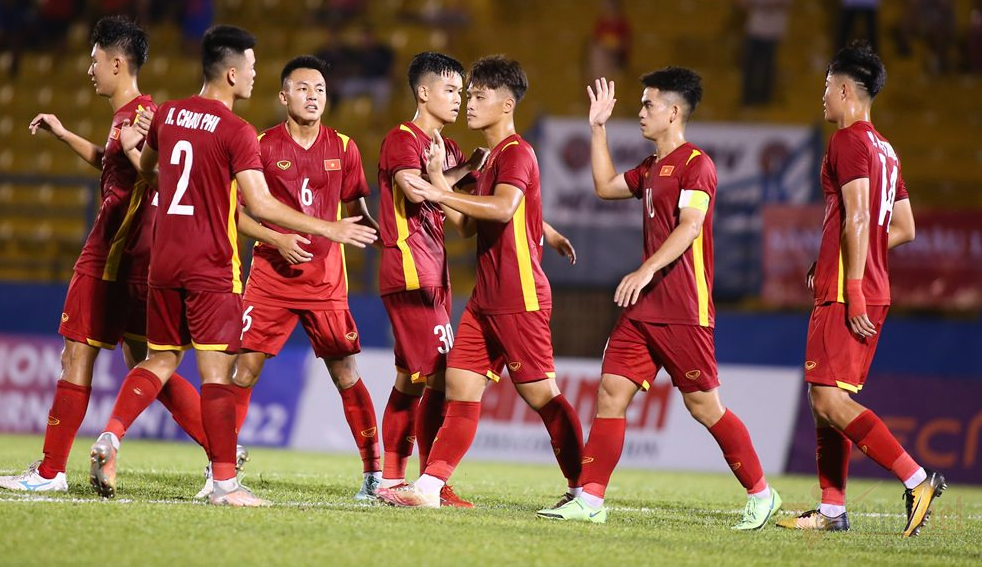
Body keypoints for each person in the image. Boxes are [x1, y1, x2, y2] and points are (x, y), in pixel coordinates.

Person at [87, 25, 376, 506]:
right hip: (212, 265)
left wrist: (134, 145)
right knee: (219, 376)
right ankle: (224, 483)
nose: (255, 75)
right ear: (231, 71)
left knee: (159, 360)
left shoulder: (169, 113)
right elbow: (258, 205)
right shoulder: (240, 132)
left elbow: (151, 174)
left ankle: (112, 435)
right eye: (253, 67)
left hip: (164, 260)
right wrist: (329, 229)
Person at [536, 70, 780, 529]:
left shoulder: (697, 165)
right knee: (610, 392)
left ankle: (762, 493)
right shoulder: (651, 167)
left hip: (684, 309)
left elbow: (689, 227)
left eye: (648, 104)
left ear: (673, 112)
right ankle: (590, 499)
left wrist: (645, 269)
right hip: (643, 310)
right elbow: (605, 186)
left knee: (704, 407)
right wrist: (597, 128)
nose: (641, 112)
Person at [0, 17, 210, 493]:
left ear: (117, 62)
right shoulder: (127, 116)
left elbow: (155, 179)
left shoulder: (141, 117)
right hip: (134, 261)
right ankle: (223, 451)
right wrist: (65, 133)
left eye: (94, 61)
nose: (90, 69)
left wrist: (138, 154)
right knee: (148, 366)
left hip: (109, 256)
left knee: (76, 356)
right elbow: (113, 163)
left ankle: (49, 473)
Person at [378, 55, 583, 510]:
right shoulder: (488, 161)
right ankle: (429, 489)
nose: (469, 103)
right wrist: (437, 180)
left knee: (540, 394)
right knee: (460, 390)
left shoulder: (517, 152)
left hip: (519, 296)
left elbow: (504, 209)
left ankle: (583, 489)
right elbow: (466, 225)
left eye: (479, 95)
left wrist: (437, 189)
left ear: (507, 104)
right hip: (485, 300)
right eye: (467, 94)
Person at [776, 42, 945, 536]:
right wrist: (849, 258)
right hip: (866, 281)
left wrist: (851, 283)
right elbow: (903, 227)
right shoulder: (885, 149)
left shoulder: (848, 140)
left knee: (829, 400)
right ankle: (832, 512)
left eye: (827, 87)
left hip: (850, 290)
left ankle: (917, 481)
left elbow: (858, 215)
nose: (823, 96)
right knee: (825, 398)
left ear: (846, 88)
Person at [226, 55, 383, 501]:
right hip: (271, 277)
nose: (313, 97)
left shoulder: (345, 147)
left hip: (325, 281)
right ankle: (221, 466)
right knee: (245, 368)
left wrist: (383, 236)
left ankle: (374, 473)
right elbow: (238, 214)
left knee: (345, 373)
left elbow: (358, 212)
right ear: (283, 96)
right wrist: (276, 241)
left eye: (320, 90)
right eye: (303, 89)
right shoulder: (259, 145)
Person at [375, 52, 487, 507]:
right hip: (408, 270)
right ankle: (432, 484)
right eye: (449, 89)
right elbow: (414, 187)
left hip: (434, 273)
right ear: (423, 92)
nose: (458, 99)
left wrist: (463, 175)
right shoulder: (402, 138)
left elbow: (462, 223)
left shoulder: (452, 147)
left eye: (461, 91)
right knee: (441, 375)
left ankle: (389, 480)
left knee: (409, 380)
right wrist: (451, 177)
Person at [738, 0, 792, 106]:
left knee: (768, 67)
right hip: (755, 28)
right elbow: (745, 0)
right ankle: (748, 98)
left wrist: (770, 4)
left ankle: (764, 99)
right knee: (750, 65)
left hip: (772, 31)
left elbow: (787, 2)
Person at [894, 0, 956, 74]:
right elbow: (911, 8)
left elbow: (946, 10)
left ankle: (940, 65)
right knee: (906, 22)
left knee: (938, 33)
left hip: (941, 25)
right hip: (925, 25)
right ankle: (906, 51)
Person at [586, 0, 633, 85]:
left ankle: (603, 83)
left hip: (617, 59)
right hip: (602, 58)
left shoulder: (623, 24)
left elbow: (624, 45)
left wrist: (610, 44)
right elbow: (595, 41)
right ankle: (597, 82)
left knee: (600, 52)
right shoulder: (601, 23)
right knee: (596, 52)